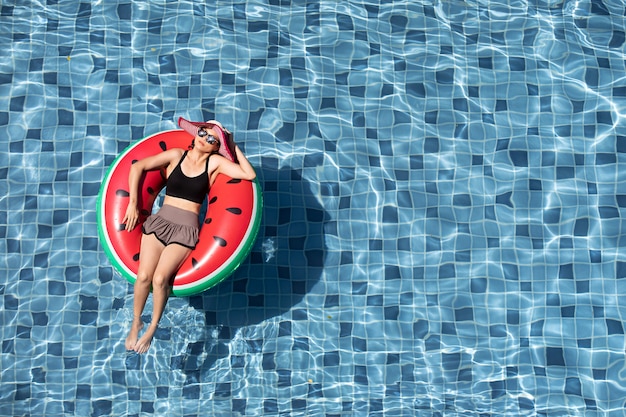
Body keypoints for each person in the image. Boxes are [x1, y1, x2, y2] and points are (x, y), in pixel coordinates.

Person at [122, 118, 256, 354]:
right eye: (203, 133)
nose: (205, 138)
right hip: (159, 222)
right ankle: (136, 321)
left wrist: (232, 145)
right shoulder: (175, 155)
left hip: (185, 230)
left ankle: (152, 327)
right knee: (143, 276)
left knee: (160, 279)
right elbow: (137, 167)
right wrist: (133, 203)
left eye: (212, 139)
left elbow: (249, 174)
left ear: (217, 147)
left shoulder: (214, 163)